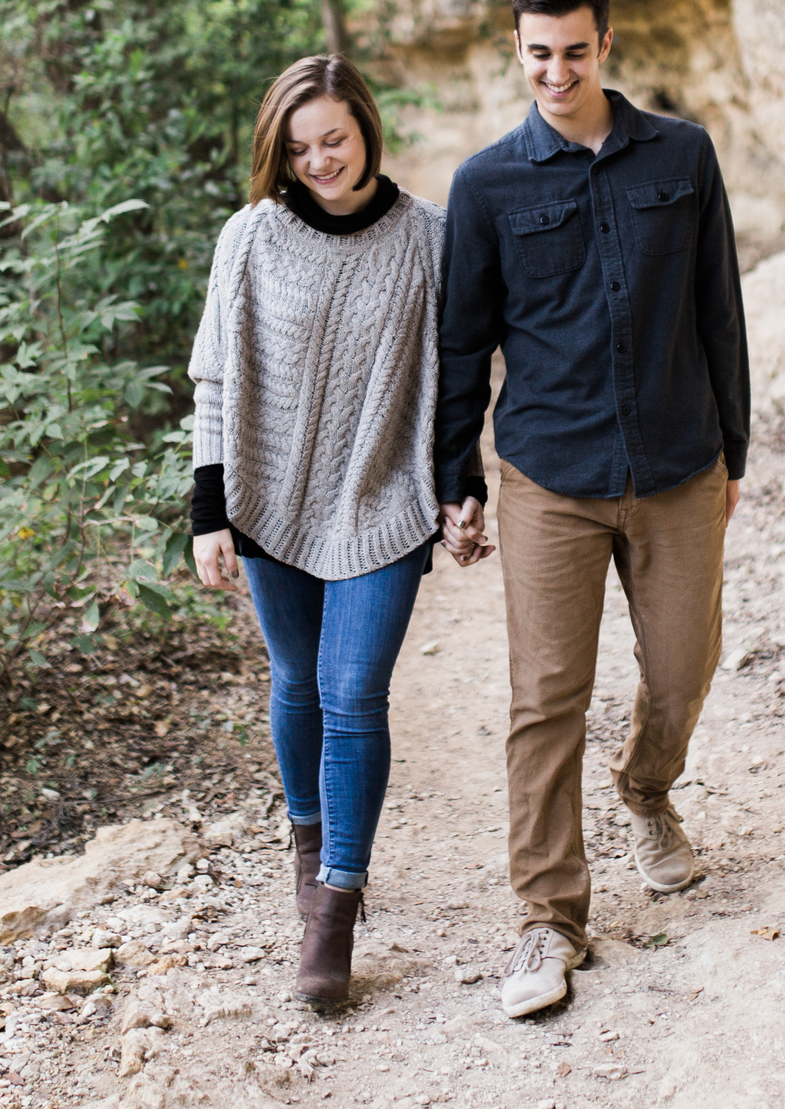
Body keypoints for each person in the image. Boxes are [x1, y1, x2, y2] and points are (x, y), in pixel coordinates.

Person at [435, 0, 749, 1019]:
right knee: (546, 697)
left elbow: (719, 309)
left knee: (682, 664)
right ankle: (548, 917)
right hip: (548, 473)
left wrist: (734, 451)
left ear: (604, 45)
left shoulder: (682, 153)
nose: (556, 71)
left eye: (574, 50)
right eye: (538, 53)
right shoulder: (487, 185)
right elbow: (461, 341)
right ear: (516, 52)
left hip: (675, 462)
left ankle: (648, 789)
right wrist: (456, 476)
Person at [188, 54, 489, 1004]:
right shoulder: (250, 237)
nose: (319, 160)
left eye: (335, 139)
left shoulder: (428, 237)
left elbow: (457, 381)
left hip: (378, 498)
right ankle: (307, 838)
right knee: (294, 681)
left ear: (365, 127)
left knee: (353, 691)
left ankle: (336, 904)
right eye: (299, 146)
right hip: (271, 496)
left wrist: (458, 485)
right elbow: (214, 379)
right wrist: (207, 513)